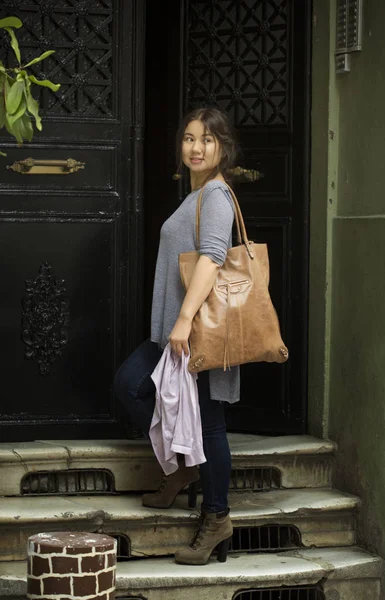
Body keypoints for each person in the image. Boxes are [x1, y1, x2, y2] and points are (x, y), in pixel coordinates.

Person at [113, 106, 240, 565]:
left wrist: (184, 320)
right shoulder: (196, 195)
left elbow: (211, 258)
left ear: (223, 147)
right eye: (189, 138)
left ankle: (217, 517)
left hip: (198, 331)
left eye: (207, 139)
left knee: (210, 424)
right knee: (130, 386)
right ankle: (186, 467)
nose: (196, 147)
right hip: (173, 334)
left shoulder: (217, 196)